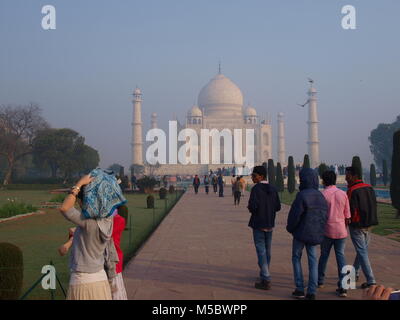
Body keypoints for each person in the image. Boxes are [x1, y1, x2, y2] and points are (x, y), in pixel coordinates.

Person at [59, 169, 126, 300]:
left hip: (83, 282)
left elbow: (65, 208)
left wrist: (79, 184)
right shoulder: (108, 221)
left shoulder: (88, 223)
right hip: (100, 280)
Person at [286, 168, 328, 300]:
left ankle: (299, 288)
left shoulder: (302, 195)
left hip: (300, 233)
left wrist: (291, 228)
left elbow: (295, 215)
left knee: (296, 258)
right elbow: (324, 217)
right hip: (315, 233)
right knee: (313, 261)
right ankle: (311, 291)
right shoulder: (321, 196)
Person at [317, 170, 351, 297]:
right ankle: (344, 287)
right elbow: (348, 216)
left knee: (324, 256)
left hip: (327, 230)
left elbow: (320, 215)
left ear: (323, 180)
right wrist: (344, 227)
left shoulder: (323, 194)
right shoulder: (343, 194)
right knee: (341, 256)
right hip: (341, 230)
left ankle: (320, 281)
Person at [247, 166, 281, 290]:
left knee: (261, 250)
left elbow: (253, 206)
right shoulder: (273, 188)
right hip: (269, 223)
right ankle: (264, 273)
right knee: (267, 250)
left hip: (258, 223)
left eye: (254, 175)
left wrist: (253, 209)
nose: (252, 177)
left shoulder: (256, 189)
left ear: (261, 176)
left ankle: (266, 277)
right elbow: (278, 207)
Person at [345, 166, 378, 289]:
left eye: (348, 176)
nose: (346, 178)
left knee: (362, 252)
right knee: (362, 251)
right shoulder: (369, 187)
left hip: (357, 226)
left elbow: (349, 209)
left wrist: (348, 221)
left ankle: (371, 280)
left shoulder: (352, 190)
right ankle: (355, 273)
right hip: (369, 223)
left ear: (354, 176)